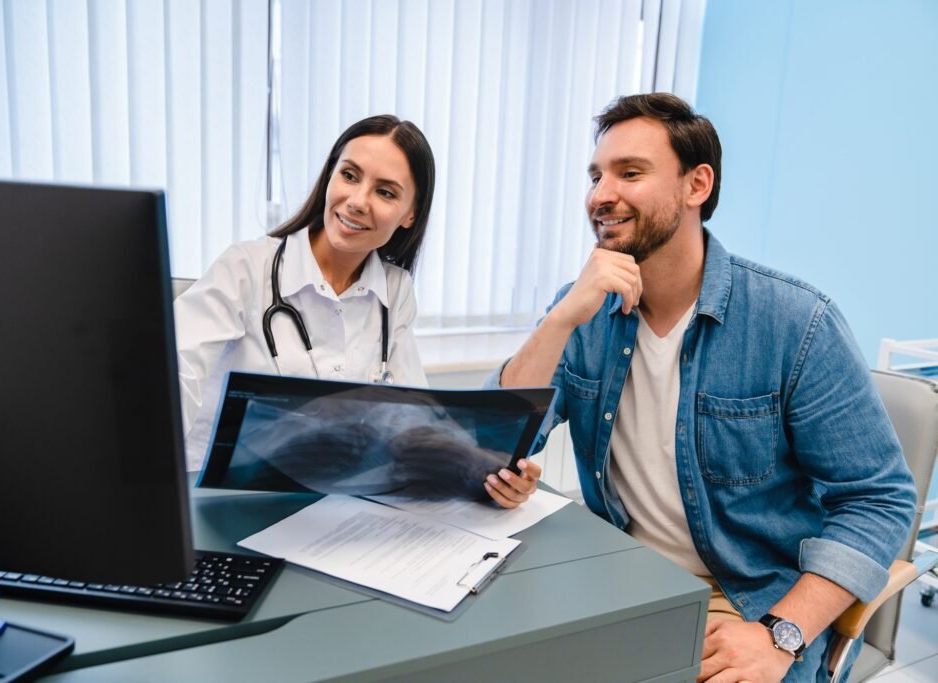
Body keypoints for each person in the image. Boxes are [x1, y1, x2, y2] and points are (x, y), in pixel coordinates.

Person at [495, 93, 915, 682]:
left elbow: (880, 498)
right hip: (619, 576)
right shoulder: (584, 307)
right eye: (595, 175)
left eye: (629, 173)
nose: (599, 195)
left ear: (697, 186)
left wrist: (780, 634)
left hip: (750, 601)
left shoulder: (795, 321)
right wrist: (561, 318)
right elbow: (500, 439)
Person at [175, 114, 540, 508]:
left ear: (410, 214)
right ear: (330, 176)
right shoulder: (246, 268)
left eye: (385, 192)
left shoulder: (395, 291)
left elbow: (416, 414)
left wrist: (491, 473)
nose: (358, 201)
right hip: (221, 502)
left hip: (336, 507)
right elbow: (172, 375)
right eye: (349, 175)